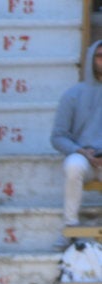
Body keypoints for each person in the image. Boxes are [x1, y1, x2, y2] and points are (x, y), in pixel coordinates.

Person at [52, 41, 102, 231]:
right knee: (73, 165)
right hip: (84, 158)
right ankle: (70, 226)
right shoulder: (73, 95)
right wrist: (81, 151)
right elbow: (58, 136)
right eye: (99, 56)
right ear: (91, 60)